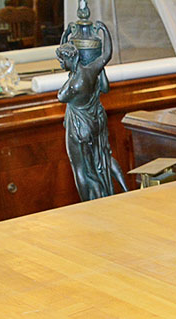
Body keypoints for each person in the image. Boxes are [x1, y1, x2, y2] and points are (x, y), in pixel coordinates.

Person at [56, 19, 127, 200]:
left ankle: (87, 203)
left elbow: (61, 96)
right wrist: (105, 31)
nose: (59, 64)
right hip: (96, 118)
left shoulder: (74, 83)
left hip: (79, 126)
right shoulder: (92, 70)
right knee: (102, 157)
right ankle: (124, 190)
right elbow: (107, 55)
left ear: (70, 58)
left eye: (61, 60)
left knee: (82, 168)